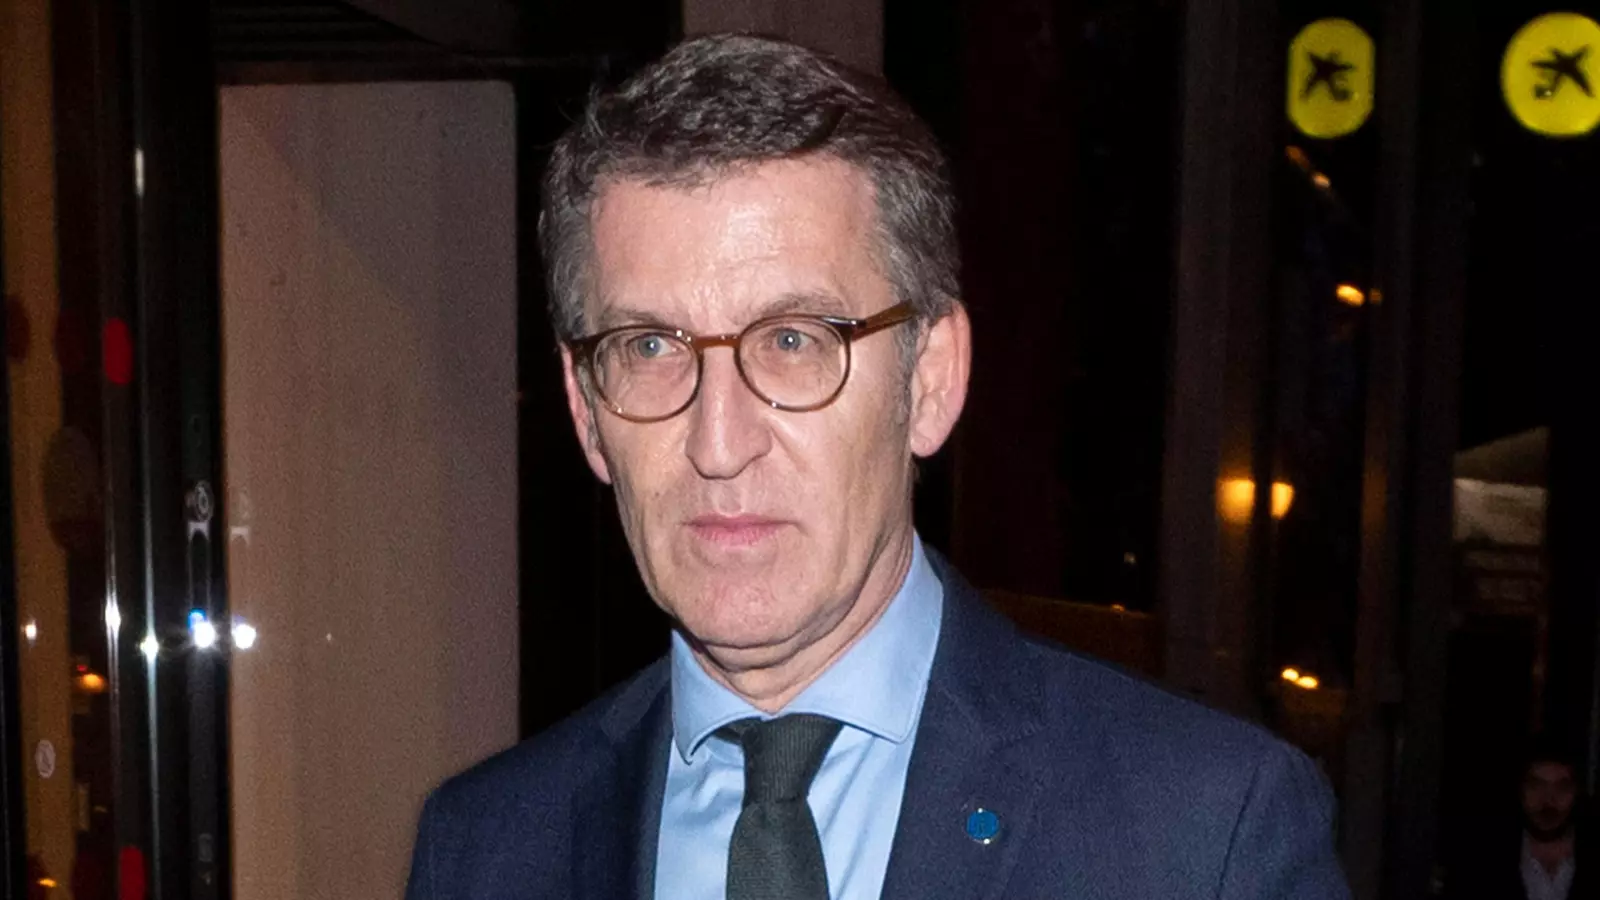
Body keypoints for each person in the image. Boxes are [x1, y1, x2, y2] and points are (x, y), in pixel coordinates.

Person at [405, 33, 1349, 900]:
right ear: (585, 410)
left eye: (793, 340)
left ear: (929, 381)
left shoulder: (1202, 836)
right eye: (650, 347)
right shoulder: (484, 851)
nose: (717, 443)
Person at [1451, 739, 1594, 900]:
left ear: (1577, 792)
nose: (1548, 801)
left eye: (1562, 788)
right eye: (1536, 786)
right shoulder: (1484, 858)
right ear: (1520, 790)